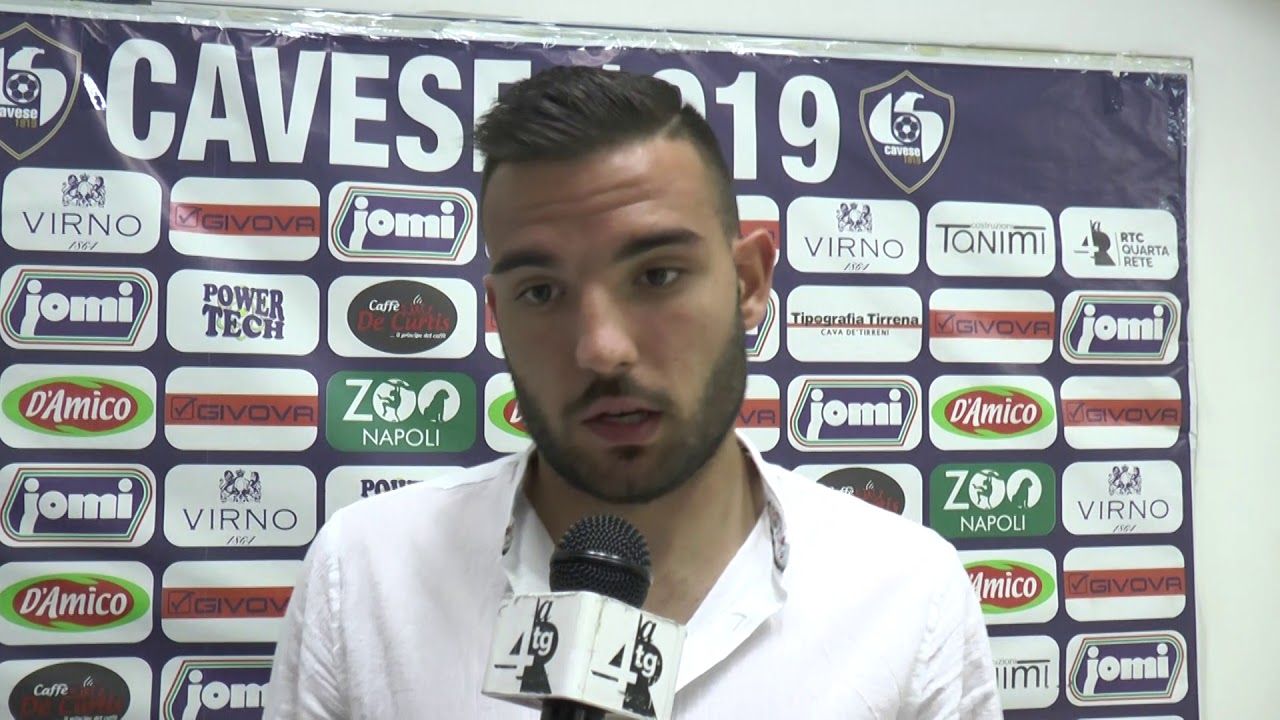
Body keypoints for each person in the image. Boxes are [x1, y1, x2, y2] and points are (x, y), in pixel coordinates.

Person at [265, 65, 1001, 718]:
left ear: (748, 283)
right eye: (541, 291)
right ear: (497, 316)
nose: (601, 348)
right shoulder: (364, 577)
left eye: (656, 276)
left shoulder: (907, 594)